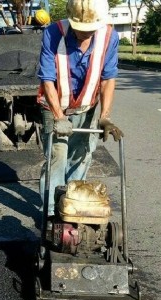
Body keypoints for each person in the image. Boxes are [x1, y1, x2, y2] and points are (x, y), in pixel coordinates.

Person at [36, 0, 123, 216]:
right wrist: (58, 116)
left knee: (82, 155)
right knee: (58, 156)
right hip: (55, 105)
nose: (84, 34)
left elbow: (108, 78)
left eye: (89, 30)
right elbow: (47, 79)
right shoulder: (53, 33)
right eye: (79, 29)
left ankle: (73, 204)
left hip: (87, 106)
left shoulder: (109, 37)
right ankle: (51, 214)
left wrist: (105, 117)